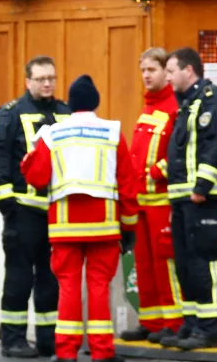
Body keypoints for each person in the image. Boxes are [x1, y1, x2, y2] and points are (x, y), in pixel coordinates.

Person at [20, 74, 139, 362]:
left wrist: (29, 157)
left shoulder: (53, 134)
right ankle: (102, 351)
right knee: (99, 287)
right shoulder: (113, 132)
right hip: (104, 226)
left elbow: (36, 178)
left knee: (69, 287)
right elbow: (128, 183)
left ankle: (66, 352)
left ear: (71, 104)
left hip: (65, 227)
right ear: (96, 103)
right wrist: (129, 226)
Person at [0, 55, 71, 358]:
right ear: (28, 81)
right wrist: (6, 202)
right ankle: (13, 341)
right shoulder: (10, 113)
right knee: (19, 279)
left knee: (51, 280)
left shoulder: (65, 113)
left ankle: (48, 340)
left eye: (51, 78)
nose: (47, 84)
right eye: (41, 79)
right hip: (22, 212)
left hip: (57, 214)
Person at [160, 47, 217, 351]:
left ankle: (209, 329)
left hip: (204, 199)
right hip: (182, 200)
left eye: (171, 71)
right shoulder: (186, 104)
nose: (167, 77)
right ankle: (191, 326)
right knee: (186, 266)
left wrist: (202, 186)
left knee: (205, 262)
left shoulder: (212, 100)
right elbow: (181, 151)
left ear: (188, 71)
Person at [119, 48, 183, 343]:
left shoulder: (174, 107)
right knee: (143, 265)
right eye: (143, 70)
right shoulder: (148, 108)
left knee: (164, 263)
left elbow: (179, 152)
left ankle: (174, 322)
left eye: (152, 70)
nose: (146, 75)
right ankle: (151, 321)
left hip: (163, 202)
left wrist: (156, 173)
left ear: (165, 73)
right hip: (141, 202)